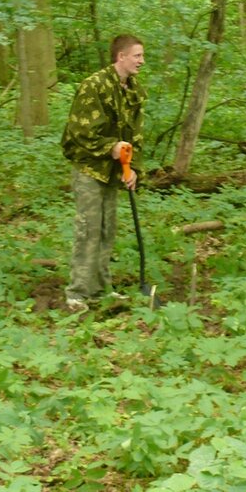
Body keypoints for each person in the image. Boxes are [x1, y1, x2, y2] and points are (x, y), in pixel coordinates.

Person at [62, 35, 146, 311]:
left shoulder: (133, 90)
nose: (141, 61)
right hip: (89, 167)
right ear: (121, 57)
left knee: (107, 229)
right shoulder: (94, 86)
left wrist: (132, 168)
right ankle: (77, 293)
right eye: (137, 56)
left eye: (142, 56)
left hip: (112, 170)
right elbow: (79, 133)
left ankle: (99, 290)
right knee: (89, 229)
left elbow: (135, 134)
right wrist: (111, 148)